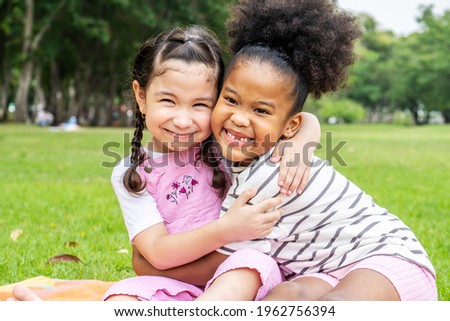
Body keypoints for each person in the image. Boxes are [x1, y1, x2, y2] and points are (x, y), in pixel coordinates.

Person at [9, 24, 320, 301]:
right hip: (172, 284)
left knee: (249, 266)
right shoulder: (133, 174)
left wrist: (303, 142)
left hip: (238, 271)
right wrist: (226, 229)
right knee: (125, 297)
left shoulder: (227, 143)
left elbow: (301, 121)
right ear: (141, 97)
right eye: (168, 101)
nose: (183, 120)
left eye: (201, 104)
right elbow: (155, 252)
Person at [204, 0, 436, 301]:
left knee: (332, 308)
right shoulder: (242, 149)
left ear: (290, 125)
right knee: (283, 298)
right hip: (322, 272)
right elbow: (305, 122)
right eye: (231, 100)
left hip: (388, 260)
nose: (239, 118)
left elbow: (221, 264)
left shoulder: (263, 177)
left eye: (261, 110)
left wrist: (153, 263)